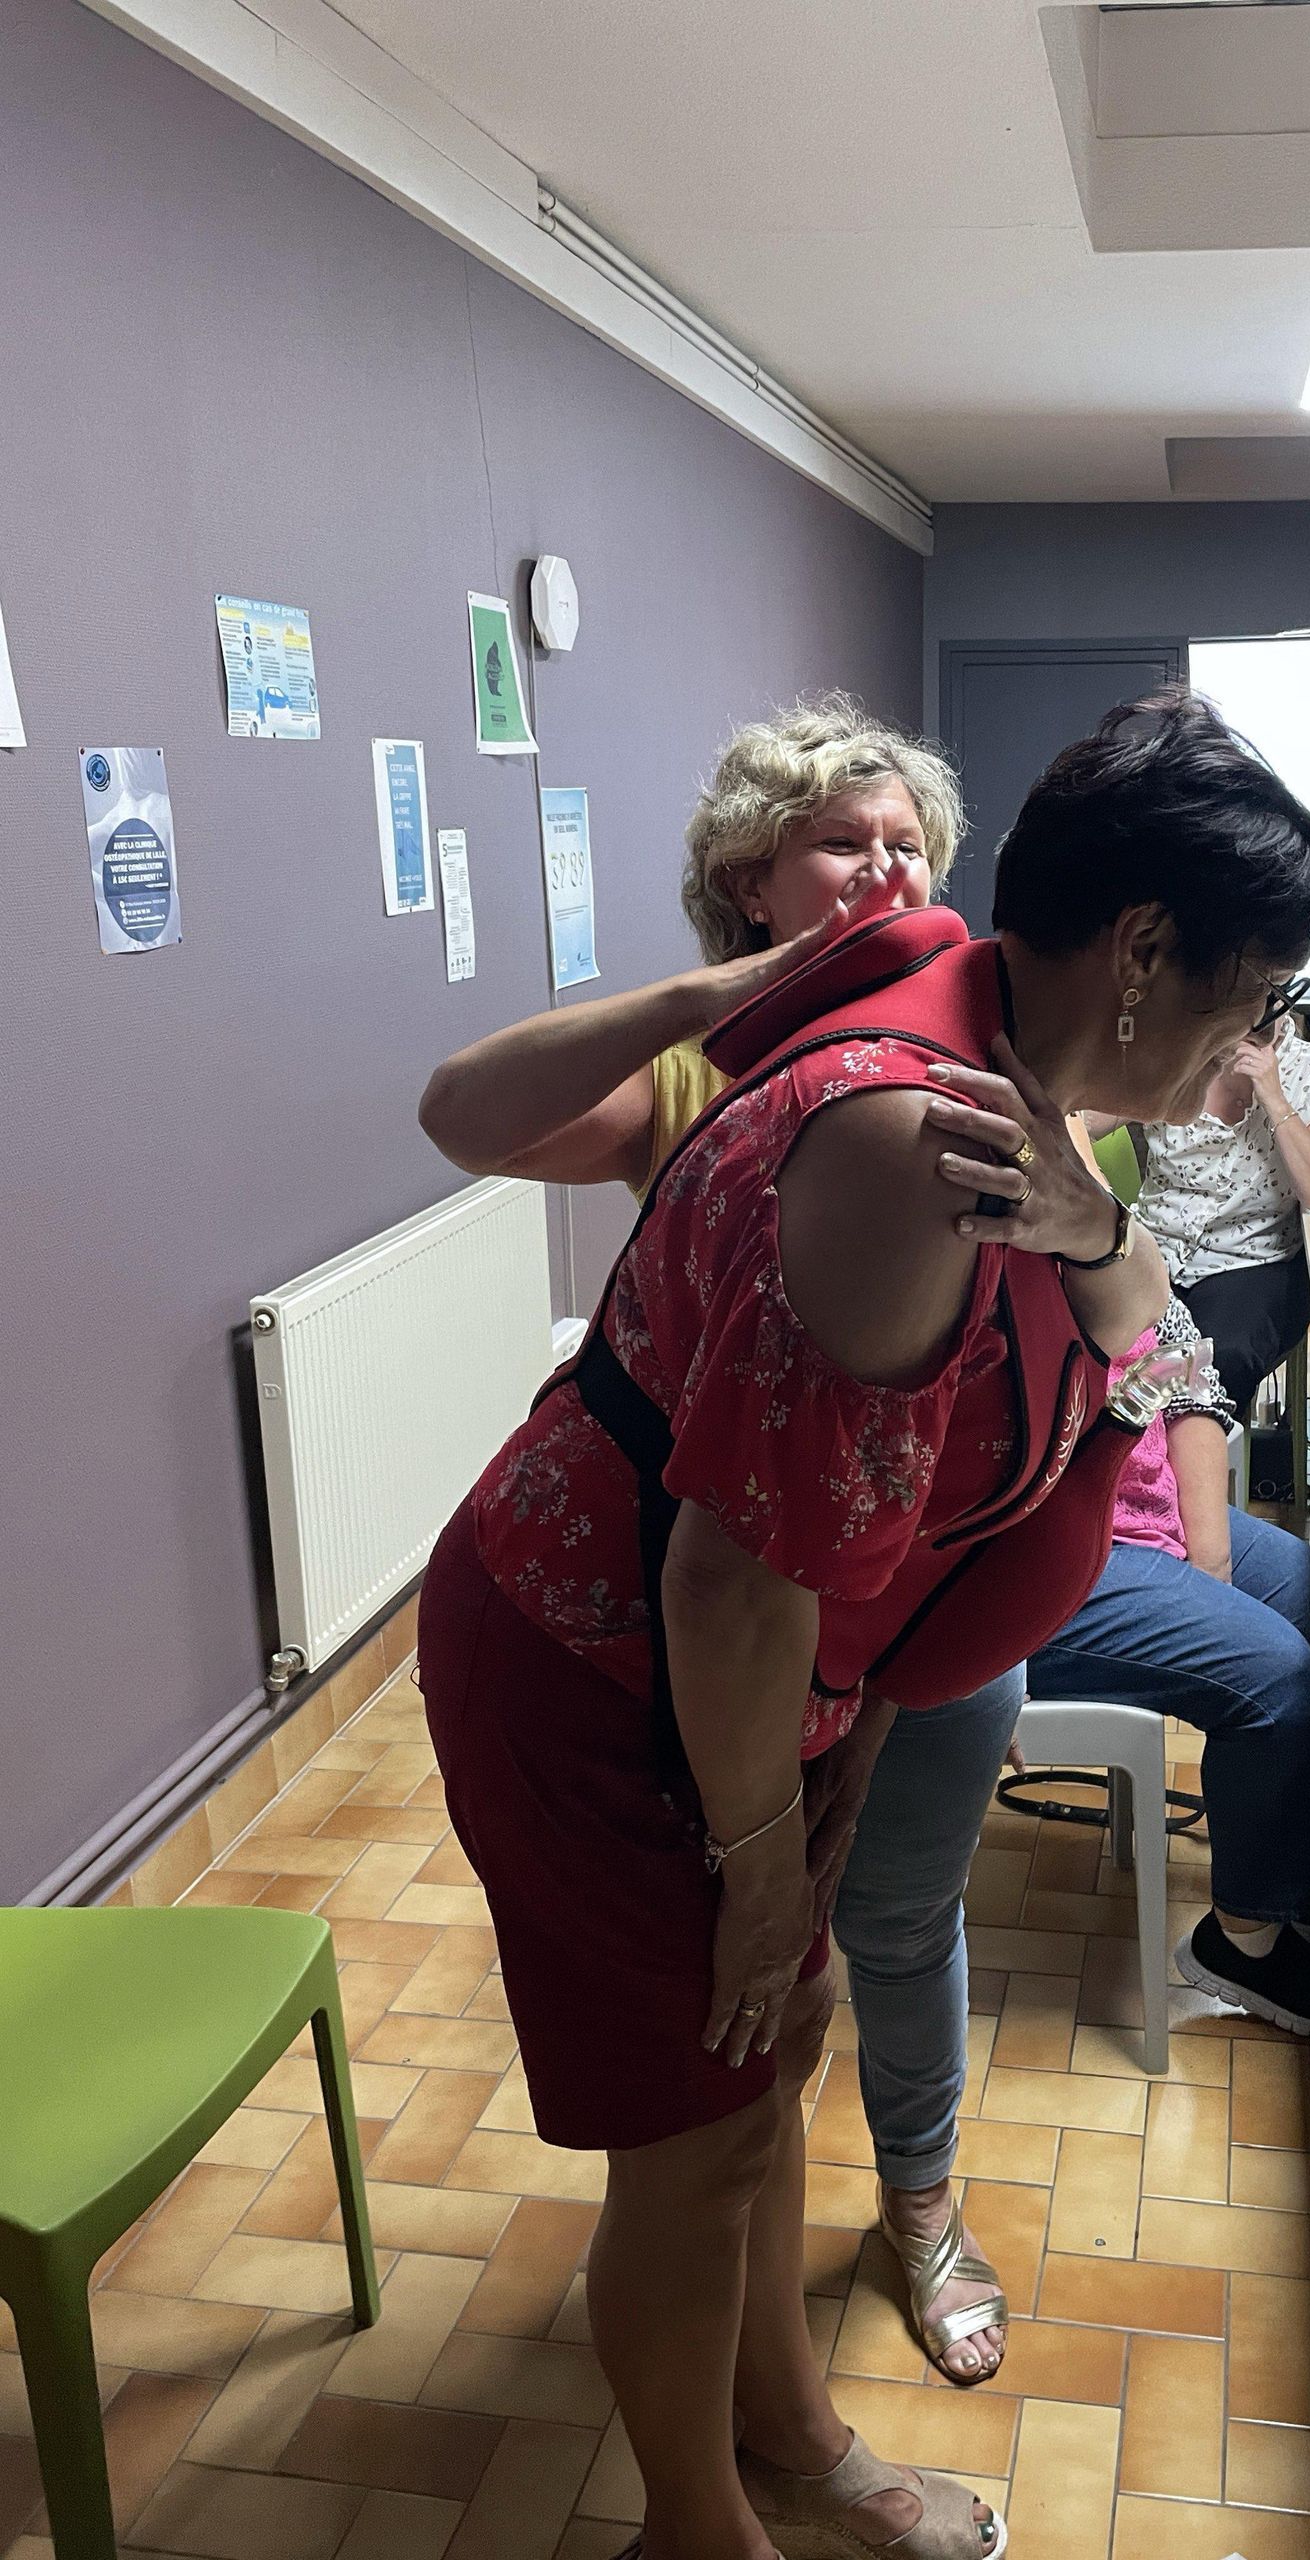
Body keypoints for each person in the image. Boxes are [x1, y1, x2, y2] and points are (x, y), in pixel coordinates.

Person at [414, 687, 1310, 2560]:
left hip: (760, 1688)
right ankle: (701, 2526)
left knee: (775, 2070)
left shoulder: (1027, 1099)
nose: (1260, 1050)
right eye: (1257, 999)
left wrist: (1100, 1239)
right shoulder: (903, 1146)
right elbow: (728, 1581)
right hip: (605, 1677)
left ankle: (786, 2435)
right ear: (1144, 951)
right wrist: (765, 1860)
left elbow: (1106, 1323)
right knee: (696, 2143)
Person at [423, 701, 1022, 2386]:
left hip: (916, 1609)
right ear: (752, 878)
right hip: (732, 1625)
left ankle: (920, 2210)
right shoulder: (700, 1066)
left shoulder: (976, 1055)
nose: (888, 866)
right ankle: (751, 2366)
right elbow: (461, 1115)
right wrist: (728, 999)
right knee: (753, 1998)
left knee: (887, 1929)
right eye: (846, 839)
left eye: (907, 842)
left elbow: (1084, 1312)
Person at [1025, 1291, 1310, 2035]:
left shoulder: (1085, 1206)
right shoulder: (962, 1238)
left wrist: (1211, 1559)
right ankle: (1244, 1939)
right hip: (1039, 1560)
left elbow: (1186, 1361)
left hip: (1138, 1509)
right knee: (1273, 1673)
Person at [1131, 1006, 1310, 1415]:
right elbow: (1079, 1112)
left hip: (1250, 1261)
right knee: (1106, 1340)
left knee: (1217, 1360)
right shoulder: (1171, 1048)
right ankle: (1133, 1461)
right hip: (1156, 1246)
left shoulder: (1308, 1068)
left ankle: (1194, 1464)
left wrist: (1274, 1098)